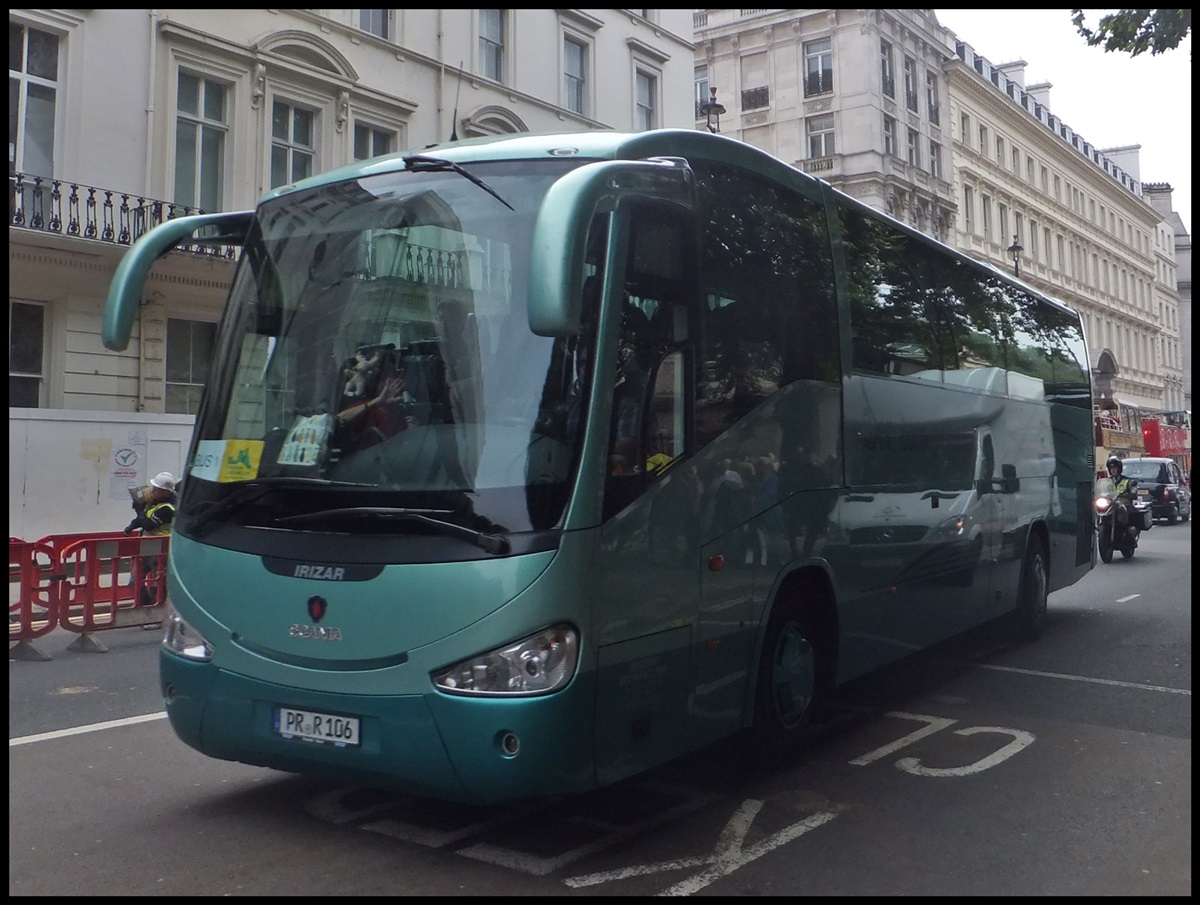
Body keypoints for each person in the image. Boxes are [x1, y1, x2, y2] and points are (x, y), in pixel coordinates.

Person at [124, 471, 176, 609]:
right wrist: (131, 527)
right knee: (134, 580)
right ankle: (146, 607)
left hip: (160, 552)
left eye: (156, 490)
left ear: (165, 492)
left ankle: (156, 612)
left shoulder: (168, 509)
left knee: (157, 584)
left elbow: (148, 524)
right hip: (146, 549)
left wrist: (139, 511)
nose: (152, 491)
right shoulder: (154, 504)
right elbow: (141, 521)